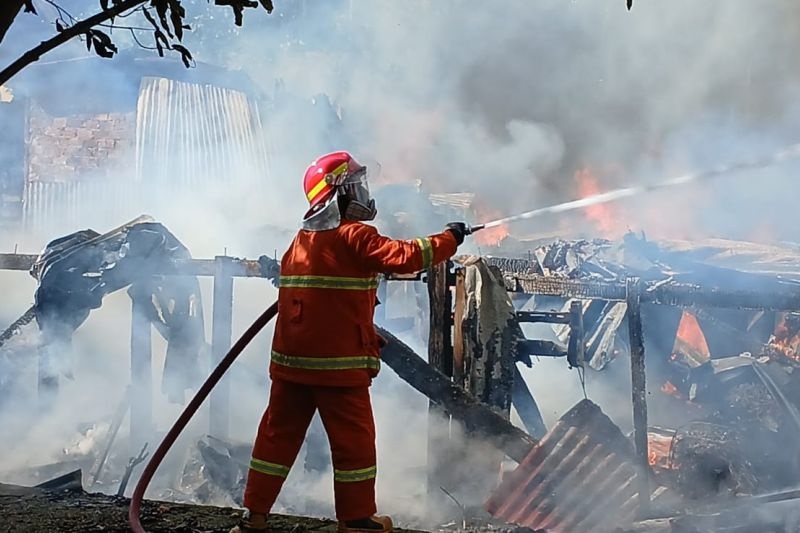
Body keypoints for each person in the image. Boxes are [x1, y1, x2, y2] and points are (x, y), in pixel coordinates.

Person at [232, 151, 468, 533]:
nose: (364, 193)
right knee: (354, 444)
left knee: (276, 437)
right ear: (338, 195)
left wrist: (364, 331)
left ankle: (254, 515)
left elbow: (322, 303)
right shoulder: (354, 235)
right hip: (337, 369)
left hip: (292, 365)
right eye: (356, 186)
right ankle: (356, 519)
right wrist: (449, 238)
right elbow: (405, 256)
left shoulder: (302, 241)